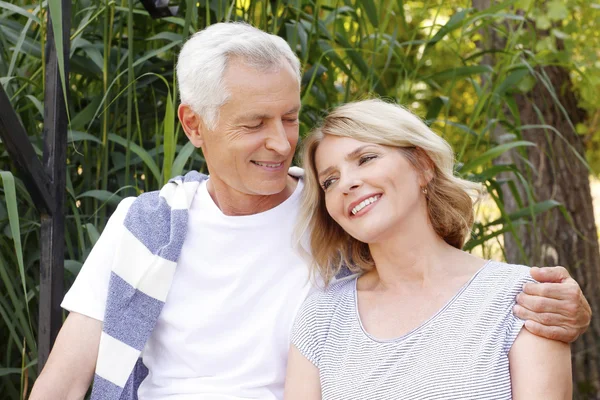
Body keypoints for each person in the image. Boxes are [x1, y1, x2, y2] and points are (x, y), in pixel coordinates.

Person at [30, 23, 589, 400]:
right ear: (194, 124)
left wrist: (562, 308)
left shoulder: (335, 217)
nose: (279, 143)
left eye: (291, 118)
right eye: (254, 124)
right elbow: (65, 377)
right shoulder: (146, 225)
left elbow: (433, 287)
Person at [284, 99, 574, 399]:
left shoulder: (525, 299)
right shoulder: (322, 316)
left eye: (366, 158)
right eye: (330, 180)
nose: (347, 183)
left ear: (422, 166)